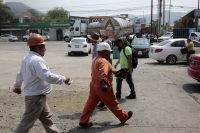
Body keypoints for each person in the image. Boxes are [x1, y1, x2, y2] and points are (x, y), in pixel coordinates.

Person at [13, 34, 70, 133]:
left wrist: (17, 86)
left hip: (38, 97)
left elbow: (20, 74)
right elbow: (47, 76)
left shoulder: (26, 58)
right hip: (36, 98)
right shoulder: (37, 61)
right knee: (26, 123)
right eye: (43, 46)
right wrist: (63, 78)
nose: (45, 49)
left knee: (47, 119)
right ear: (37, 48)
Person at [79, 42, 133, 128]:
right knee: (113, 103)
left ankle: (83, 120)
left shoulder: (95, 59)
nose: (109, 53)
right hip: (102, 86)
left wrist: (113, 72)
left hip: (94, 85)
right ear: (103, 51)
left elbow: (98, 72)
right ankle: (124, 117)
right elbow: (103, 73)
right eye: (108, 52)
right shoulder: (104, 61)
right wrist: (104, 83)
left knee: (90, 104)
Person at [87, 32, 107, 109]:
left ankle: (103, 102)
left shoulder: (97, 47)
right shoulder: (96, 46)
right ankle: (101, 101)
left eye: (91, 39)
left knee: (99, 86)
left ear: (93, 40)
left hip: (98, 68)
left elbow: (98, 59)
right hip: (97, 67)